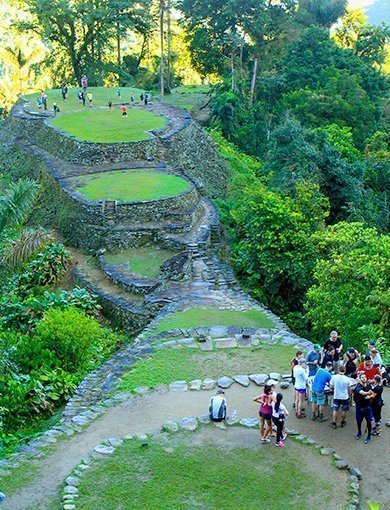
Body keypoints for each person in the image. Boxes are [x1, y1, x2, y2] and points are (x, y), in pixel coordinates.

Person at [354, 373, 373, 443]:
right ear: (360, 379)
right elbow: (362, 392)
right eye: (362, 377)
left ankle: (369, 436)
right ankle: (359, 432)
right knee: (359, 421)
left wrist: (371, 396)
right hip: (359, 407)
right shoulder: (358, 387)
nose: (364, 378)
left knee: (369, 422)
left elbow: (373, 394)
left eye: (365, 377)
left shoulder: (369, 386)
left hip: (367, 407)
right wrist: (368, 393)